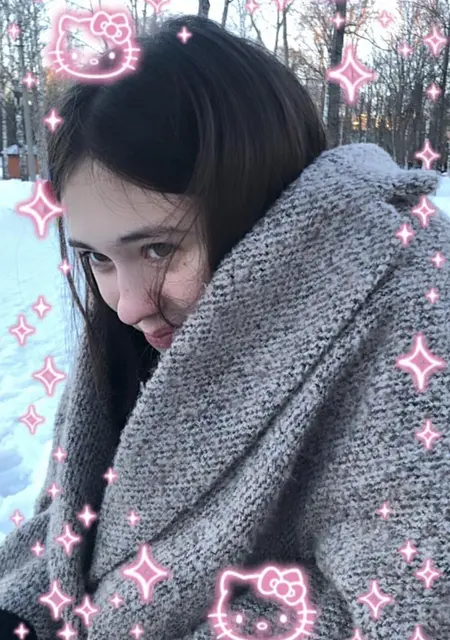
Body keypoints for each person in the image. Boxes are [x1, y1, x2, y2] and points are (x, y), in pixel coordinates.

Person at [1, 13, 449, 640]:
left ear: (263, 206)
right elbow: (73, 530)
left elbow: (409, 612)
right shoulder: (150, 323)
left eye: (158, 248)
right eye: (97, 257)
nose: (127, 305)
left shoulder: (407, 313)